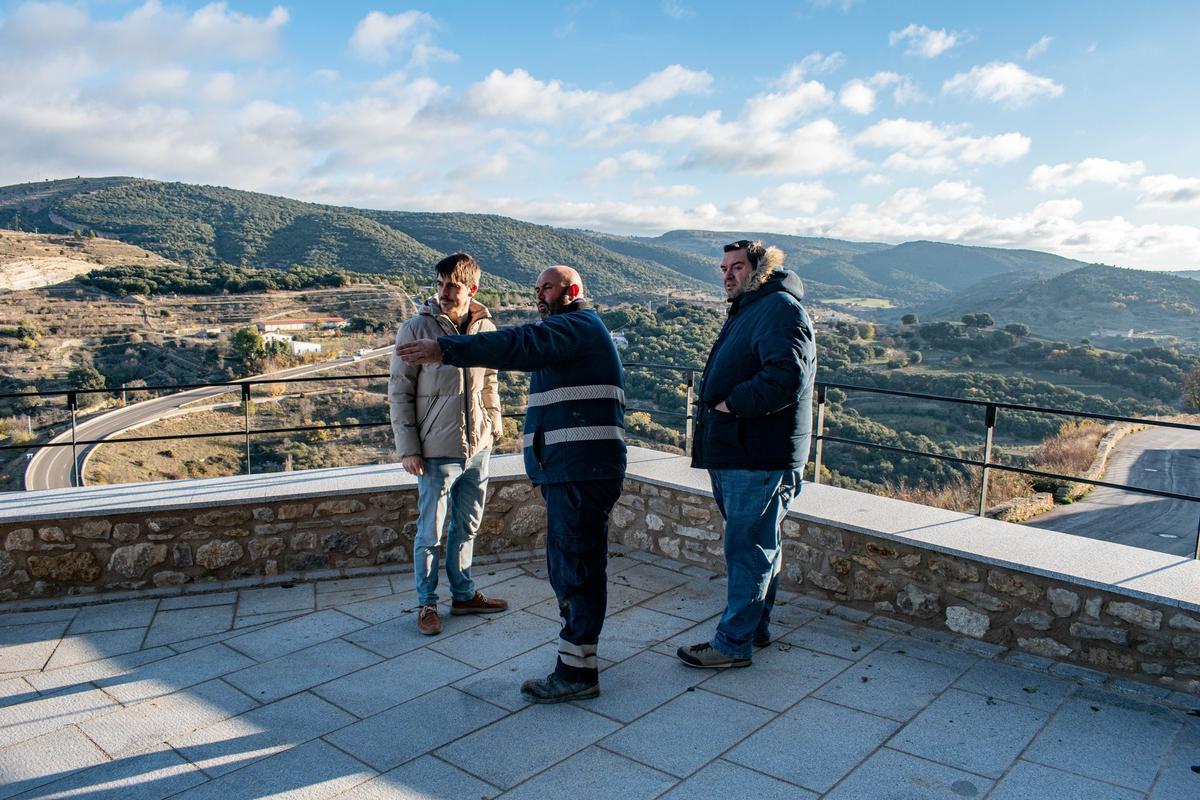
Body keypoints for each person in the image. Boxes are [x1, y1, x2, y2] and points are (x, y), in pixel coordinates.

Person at [397, 265, 626, 703]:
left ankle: (578, 674)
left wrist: (445, 348)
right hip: (574, 467)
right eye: (537, 288)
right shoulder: (569, 330)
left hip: (581, 468)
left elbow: (518, 343)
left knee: (576, 569)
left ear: (572, 291)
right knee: (571, 566)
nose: (539, 295)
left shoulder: (577, 325)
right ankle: (580, 658)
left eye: (548, 288)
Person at [677, 239, 816, 669]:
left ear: (760, 269)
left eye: (737, 266)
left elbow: (786, 375)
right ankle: (753, 628)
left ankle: (733, 643)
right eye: (723, 268)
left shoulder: (778, 308)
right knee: (759, 547)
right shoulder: (755, 307)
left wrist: (731, 403)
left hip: (756, 455)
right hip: (743, 451)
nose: (727, 275)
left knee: (747, 550)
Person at [389, 252, 508, 636]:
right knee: (430, 533)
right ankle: (426, 605)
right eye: (439, 284)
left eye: (452, 285)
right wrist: (409, 448)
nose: (443, 292)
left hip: (478, 447)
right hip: (435, 448)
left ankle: (464, 594)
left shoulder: (485, 325)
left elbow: (489, 380)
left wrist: (494, 425)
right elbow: (399, 391)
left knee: (468, 525)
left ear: (472, 288)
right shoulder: (416, 329)